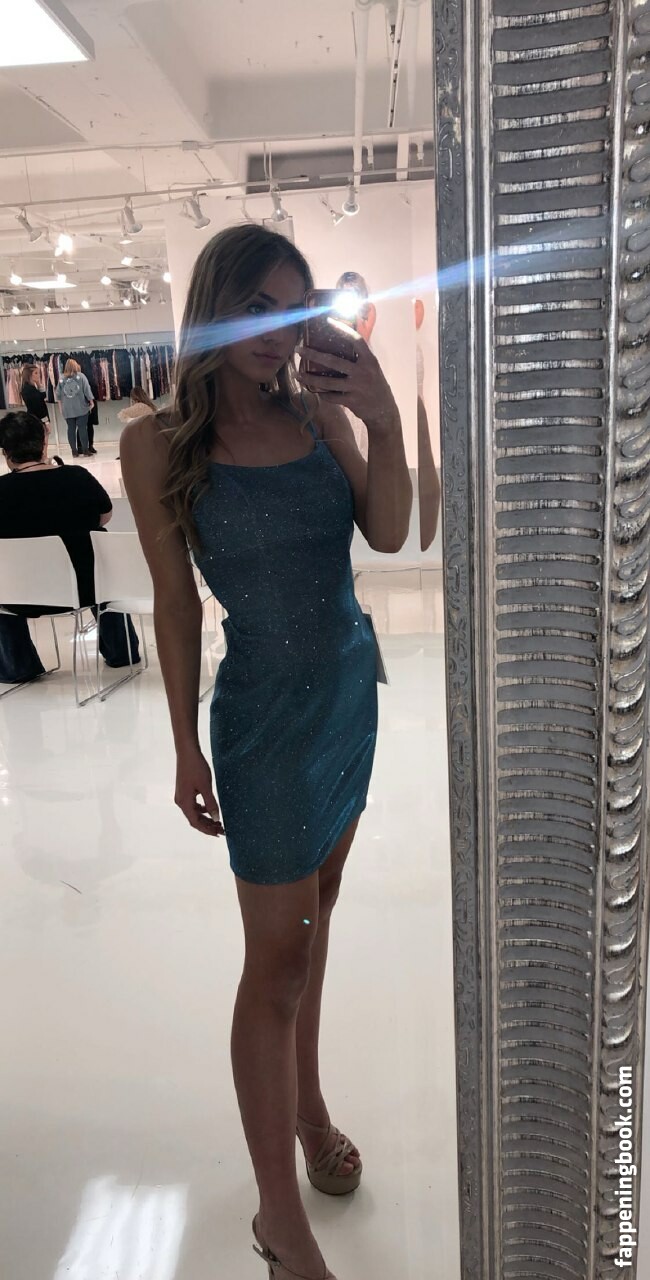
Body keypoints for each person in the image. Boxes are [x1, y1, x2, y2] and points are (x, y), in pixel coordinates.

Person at [121, 224, 412, 1280]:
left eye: (292, 309)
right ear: (211, 306)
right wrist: (181, 742)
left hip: (346, 699)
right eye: (255, 307)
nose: (276, 330)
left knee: (314, 920)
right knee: (276, 959)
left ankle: (311, 1107)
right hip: (262, 723)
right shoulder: (158, 442)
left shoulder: (317, 411)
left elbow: (390, 532)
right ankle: (277, 1218)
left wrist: (384, 416)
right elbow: (174, 601)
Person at [0, 411, 140, 684]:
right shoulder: (77, 478)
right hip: (87, 589)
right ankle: (121, 650)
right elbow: (105, 516)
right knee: (99, 555)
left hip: (20, 595)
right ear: (43, 444)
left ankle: (17, 664)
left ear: (6, 452)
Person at [54, 358, 94, 458]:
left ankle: (74, 452)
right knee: (82, 428)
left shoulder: (61, 378)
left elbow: (58, 395)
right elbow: (87, 389)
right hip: (81, 407)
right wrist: (91, 401)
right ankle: (85, 451)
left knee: (70, 429)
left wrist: (61, 408)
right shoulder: (81, 376)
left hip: (67, 409)